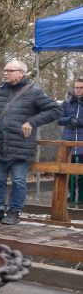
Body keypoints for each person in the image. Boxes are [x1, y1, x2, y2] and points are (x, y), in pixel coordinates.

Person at [0, 60, 61, 225]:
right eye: (5, 70)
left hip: (21, 145)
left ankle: (14, 212)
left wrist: (32, 122)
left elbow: (55, 110)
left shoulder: (34, 92)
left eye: (10, 70)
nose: (5, 73)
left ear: (21, 73)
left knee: (18, 180)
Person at [58, 78, 83, 207]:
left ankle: (81, 199)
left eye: (81, 87)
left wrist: (79, 122)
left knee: (81, 174)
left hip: (82, 143)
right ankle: (70, 197)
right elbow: (59, 120)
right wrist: (69, 119)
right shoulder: (67, 103)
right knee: (69, 172)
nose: (78, 90)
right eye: (76, 87)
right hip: (69, 142)